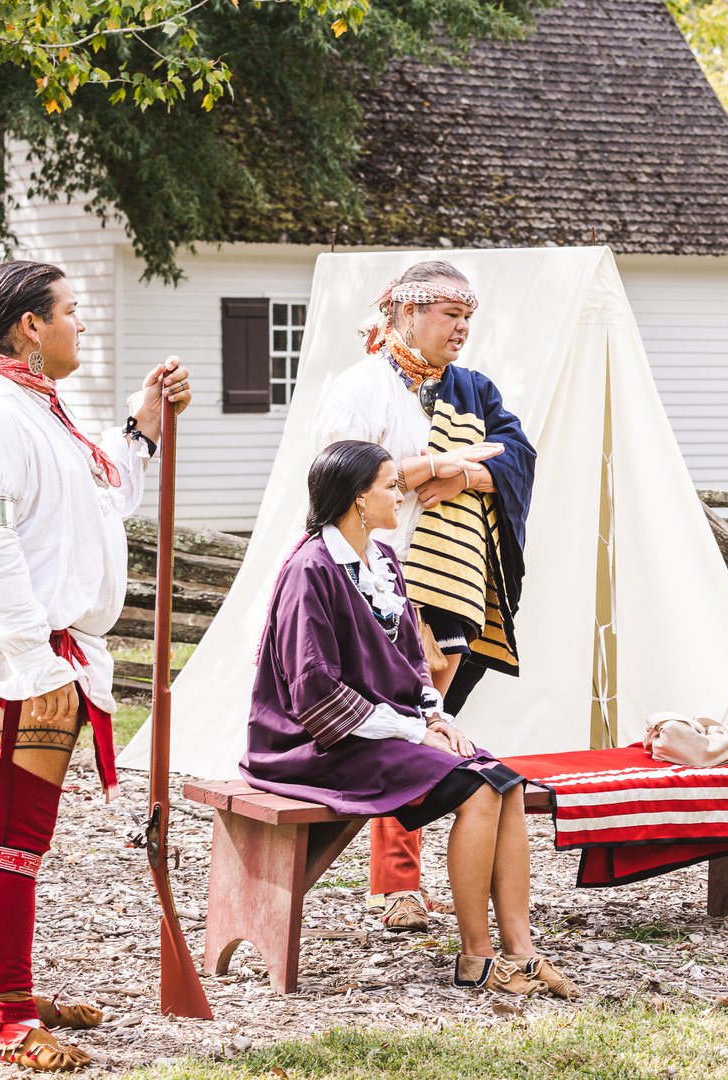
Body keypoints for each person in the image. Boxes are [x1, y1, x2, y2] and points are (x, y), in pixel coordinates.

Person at [0, 260, 191, 1069]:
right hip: (9, 654)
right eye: (71, 311)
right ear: (30, 325)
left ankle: (11, 988)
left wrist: (141, 424)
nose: (82, 324)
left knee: (13, 831)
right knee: (15, 834)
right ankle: (0, 1016)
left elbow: (96, 501)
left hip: (35, 649)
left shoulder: (31, 407)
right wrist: (36, 663)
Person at [242, 440, 574, 998]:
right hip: (314, 742)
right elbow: (314, 694)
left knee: (506, 782)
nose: (403, 493)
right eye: (391, 485)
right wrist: (415, 731)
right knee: (478, 790)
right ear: (356, 499)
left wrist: (436, 718)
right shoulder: (310, 570)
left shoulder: (386, 563)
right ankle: (477, 958)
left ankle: (521, 950)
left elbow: (412, 667)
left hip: (378, 729)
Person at [310, 260, 535, 931]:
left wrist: (463, 473)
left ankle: (403, 885)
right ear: (406, 312)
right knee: (407, 724)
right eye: (449, 314)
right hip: (373, 583)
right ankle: (395, 883)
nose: (462, 329)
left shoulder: (449, 390)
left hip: (436, 580)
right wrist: (432, 467)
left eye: (469, 318)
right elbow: (332, 477)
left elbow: (518, 456)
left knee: (424, 725)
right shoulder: (366, 387)